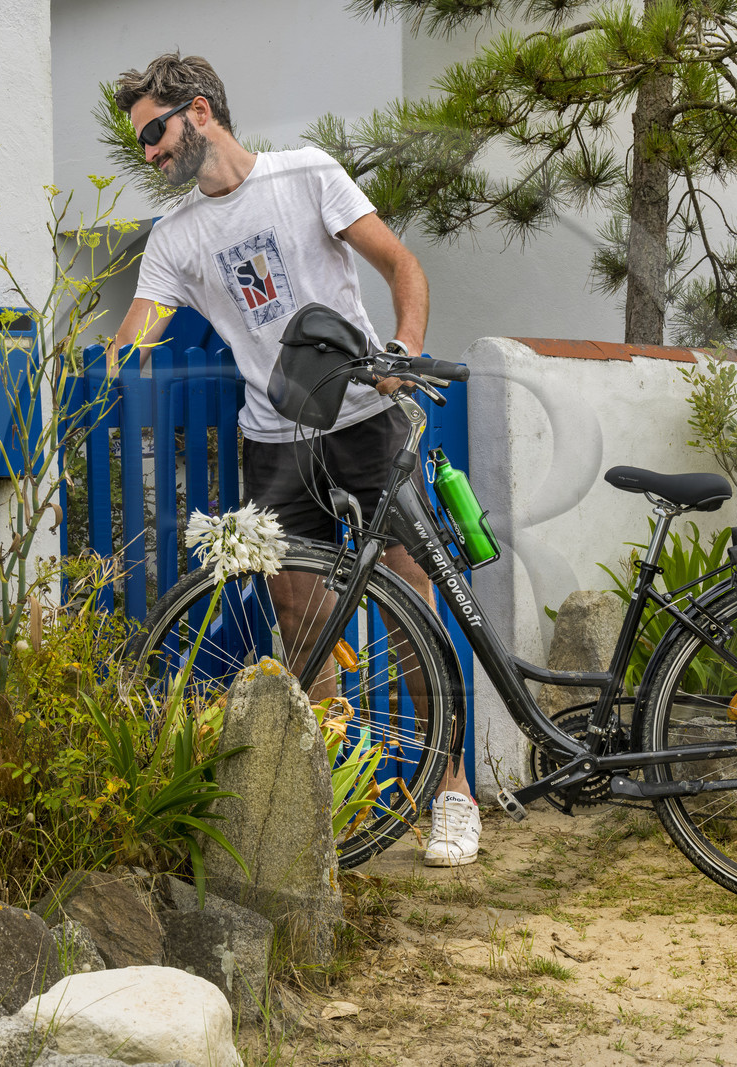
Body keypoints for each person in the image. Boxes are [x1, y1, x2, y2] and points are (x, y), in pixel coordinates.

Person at [106, 53, 480, 868]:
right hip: (274, 441)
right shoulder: (175, 238)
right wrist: (97, 358)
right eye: (142, 143)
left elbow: (399, 265)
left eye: (156, 133)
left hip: (365, 418)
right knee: (305, 633)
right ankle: (331, 814)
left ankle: (452, 787)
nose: (150, 154)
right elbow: (132, 338)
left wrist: (403, 349)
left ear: (200, 112)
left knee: (414, 598)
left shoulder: (306, 174)